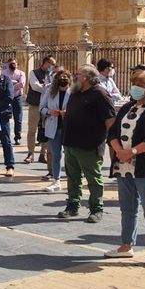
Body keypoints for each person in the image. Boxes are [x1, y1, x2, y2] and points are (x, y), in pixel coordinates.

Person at [104, 69, 145, 268]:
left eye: (139, 85)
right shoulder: (128, 107)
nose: (135, 88)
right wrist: (118, 150)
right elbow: (113, 132)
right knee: (128, 208)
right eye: (134, 84)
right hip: (123, 165)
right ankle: (126, 245)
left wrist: (132, 151)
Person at [57, 64, 115, 223]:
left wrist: (112, 142)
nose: (75, 77)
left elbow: (110, 120)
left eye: (78, 74)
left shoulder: (100, 94)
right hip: (70, 143)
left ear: (87, 78)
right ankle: (72, 206)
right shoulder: (75, 93)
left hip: (89, 145)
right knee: (72, 177)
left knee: (93, 179)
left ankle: (96, 209)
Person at [40, 69, 72, 192]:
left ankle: (71, 179)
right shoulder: (50, 92)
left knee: (70, 155)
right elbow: (41, 107)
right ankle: (56, 180)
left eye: (65, 77)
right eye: (60, 77)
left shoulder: (74, 92)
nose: (63, 80)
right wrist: (49, 112)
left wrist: (68, 113)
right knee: (55, 154)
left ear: (69, 79)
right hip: (54, 127)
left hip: (68, 128)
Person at [25, 56, 56, 164]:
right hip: (35, 104)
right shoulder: (34, 73)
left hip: (47, 105)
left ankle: (43, 153)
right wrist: (48, 86)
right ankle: (30, 153)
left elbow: (54, 87)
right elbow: (36, 86)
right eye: (51, 64)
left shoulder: (52, 75)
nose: (52, 66)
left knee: (46, 129)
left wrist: (47, 86)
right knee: (32, 129)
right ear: (45, 63)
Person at [7, 58, 26, 145]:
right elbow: (3, 85)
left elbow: (22, 84)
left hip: (17, 97)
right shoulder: (4, 73)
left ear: (17, 64)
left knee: (18, 118)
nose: (13, 65)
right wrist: (14, 82)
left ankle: (17, 137)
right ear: (8, 64)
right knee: (5, 117)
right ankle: (5, 136)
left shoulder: (21, 73)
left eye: (14, 63)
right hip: (7, 98)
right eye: (11, 63)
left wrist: (9, 85)